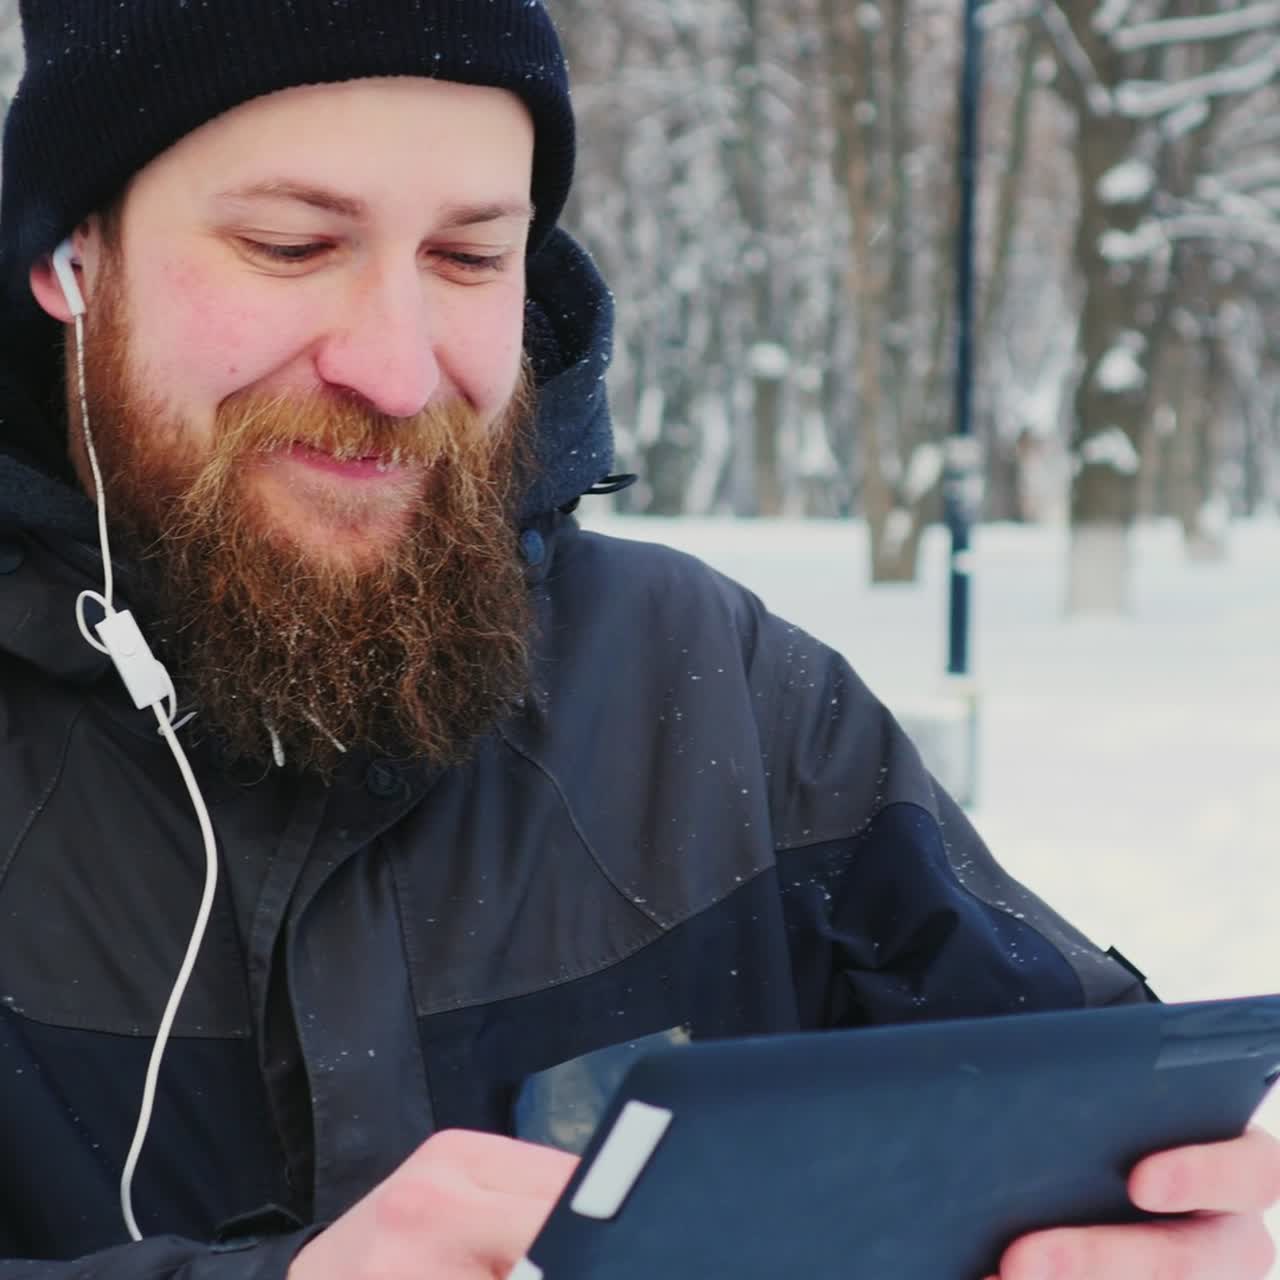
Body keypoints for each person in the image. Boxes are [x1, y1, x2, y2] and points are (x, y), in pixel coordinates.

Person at [0, 2, 1274, 1278]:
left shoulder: (724, 689)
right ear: (72, 257)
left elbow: (1087, 1120)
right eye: (288, 245)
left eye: (466, 257)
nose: (396, 369)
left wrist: (1157, 1228)